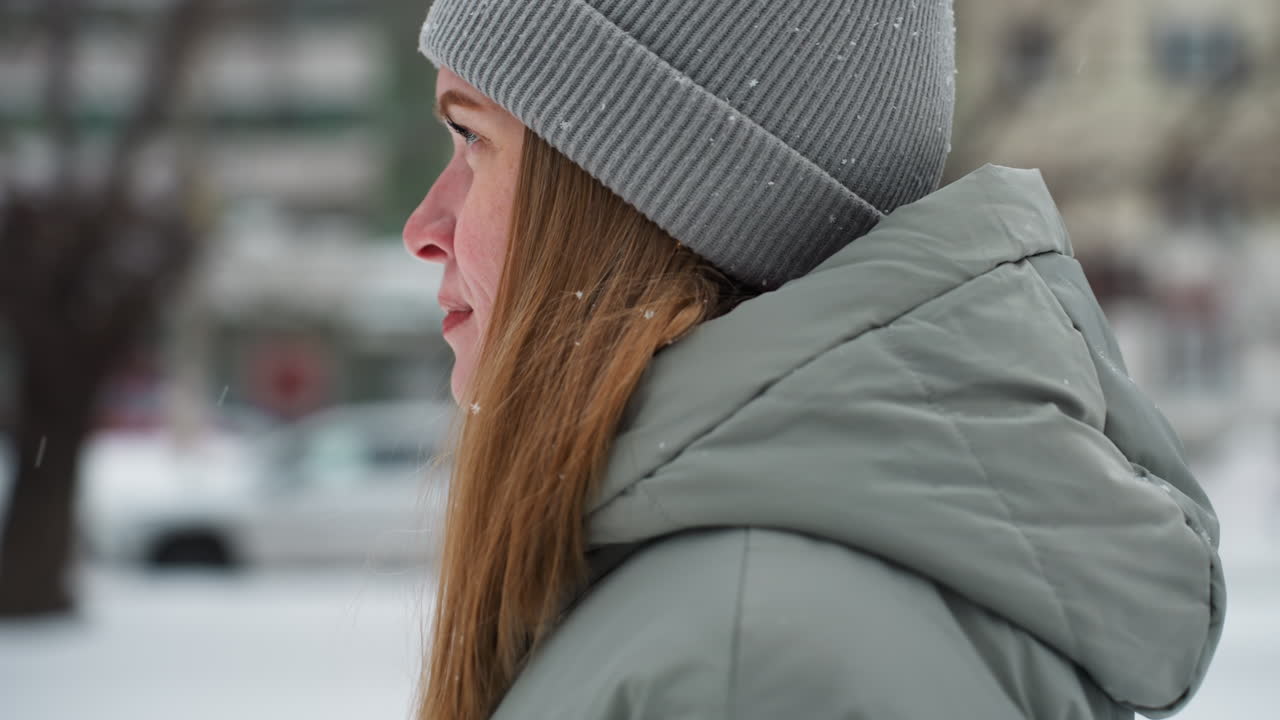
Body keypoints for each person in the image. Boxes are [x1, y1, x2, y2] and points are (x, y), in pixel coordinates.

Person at [402, 2, 1226, 719]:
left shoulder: (743, 669)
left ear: (660, 194)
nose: (423, 226)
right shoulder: (740, 618)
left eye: (472, 135)